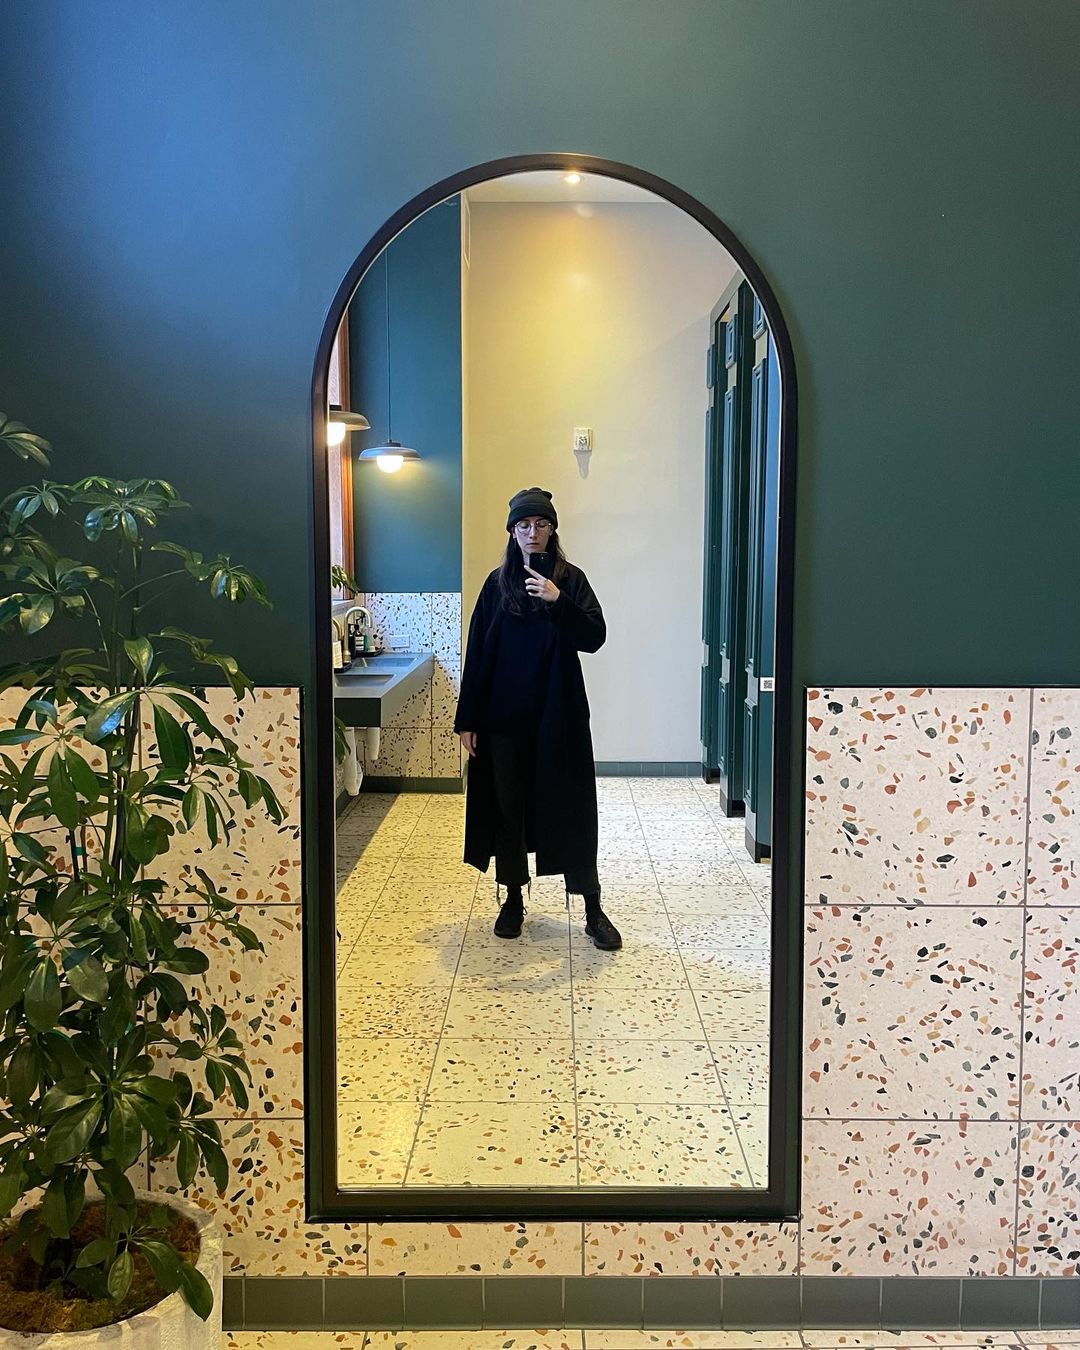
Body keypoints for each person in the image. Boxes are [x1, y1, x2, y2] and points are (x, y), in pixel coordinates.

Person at [454, 486, 622, 950]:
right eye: (524, 525)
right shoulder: (497, 584)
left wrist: (557, 600)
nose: (533, 532)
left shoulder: (570, 579)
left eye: (541, 524)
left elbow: (594, 637)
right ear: (512, 532)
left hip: (558, 715)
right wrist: (468, 719)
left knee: (572, 807)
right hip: (503, 720)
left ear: (552, 530)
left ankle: (592, 907)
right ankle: (512, 898)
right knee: (508, 808)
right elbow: (479, 653)